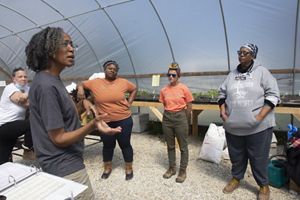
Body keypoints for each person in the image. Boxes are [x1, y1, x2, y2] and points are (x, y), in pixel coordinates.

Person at [25, 27, 121, 200]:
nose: (71, 49)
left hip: (64, 163)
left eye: (72, 44)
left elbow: (64, 117)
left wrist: (83, 104)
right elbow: (59, 138)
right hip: (65, 166)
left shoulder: (50, 79)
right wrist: (92, 124)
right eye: (66, 44)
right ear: (49, 48)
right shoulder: (47, 86)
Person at [218, 43, 280, 200]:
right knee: (236, 155)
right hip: (234, 126)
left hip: (258, 127)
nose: (242, 55)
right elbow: (222, 93)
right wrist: (223, 112)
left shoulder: (262, 72)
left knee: (258, 157)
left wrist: (258, 117)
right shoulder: (231, 75)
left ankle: (263, 185)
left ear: (253, 55)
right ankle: (236, 178)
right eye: (240, 52)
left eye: (246, 52)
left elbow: (273, 95)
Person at [77, 60, 137, 180]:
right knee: (108, 145)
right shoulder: (95, 83)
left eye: (115, 69)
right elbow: (81, 83)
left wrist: (129, 102)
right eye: (109, 68)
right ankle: (107, 167)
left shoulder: (123, 82)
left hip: (124, 119)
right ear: (104, 69)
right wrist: (80, 89)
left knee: (125, 144)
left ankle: (129, 168)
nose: (112, 70)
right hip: (105, 121)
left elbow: (134, 89)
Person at [159, 62, 193, 183]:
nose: (171, 77)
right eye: (169, 75)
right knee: (170, 145)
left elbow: (189, 105)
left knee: (183, 147)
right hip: (167, 117)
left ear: (178, 75)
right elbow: (164, 103)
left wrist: (186, 119)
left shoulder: (184, 88)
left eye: (173, 75)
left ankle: (182, 171)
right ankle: (172, 168)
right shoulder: (164, 90)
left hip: (181, 117)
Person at [0, 67, 34, 164]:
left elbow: (32, 103)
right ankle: (27, 149)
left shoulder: (27, 88)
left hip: (15, 127)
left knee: (3, 159)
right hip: (4, 126)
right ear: (13, 79)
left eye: (25, 77)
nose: (23, 78)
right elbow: (22, 99)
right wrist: (30, 93)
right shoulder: (10, 88)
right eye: (20, 77)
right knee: (32, 124)